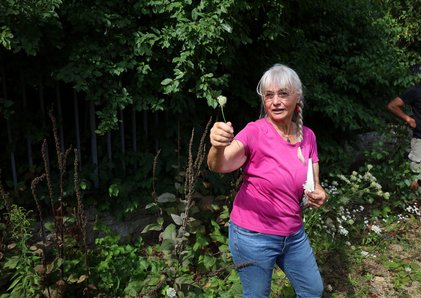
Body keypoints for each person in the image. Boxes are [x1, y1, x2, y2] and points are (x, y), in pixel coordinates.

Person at [207, 63, 328, 297]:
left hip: (293, 233)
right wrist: (216, 146)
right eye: (269, 95)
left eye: (283, 94)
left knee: (313, 290)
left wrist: (319, 194)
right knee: (257, 294)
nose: (276, 101)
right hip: (253, 236)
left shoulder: (308, 137)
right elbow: (219, 165)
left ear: (297, 98)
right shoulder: (254, 132)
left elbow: (314, 183)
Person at [386, 84, 421, 190]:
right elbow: (392, 105)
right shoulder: (416, 91)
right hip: (420, 141)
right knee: (416, 179)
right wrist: (408, 119)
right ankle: (414, 205)